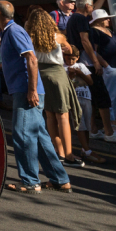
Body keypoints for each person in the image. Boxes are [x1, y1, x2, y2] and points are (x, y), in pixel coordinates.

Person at [0, 0, 71, 194]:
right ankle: (60, 179)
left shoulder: (14, 31)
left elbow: (32, 58)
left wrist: (32, 90)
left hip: (26, 90)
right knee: (39, 136)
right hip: (25, 89)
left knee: (23, 135)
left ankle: (30, 182)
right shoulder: (9, 32)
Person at [27, 10, 81, 168]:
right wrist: (64, 49)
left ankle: (60, 153)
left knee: (49, 115)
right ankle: (69, 155)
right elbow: (70, 50)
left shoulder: (31, 38)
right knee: (63, 116)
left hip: (40, 75)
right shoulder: (59, 37)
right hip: (56, 74)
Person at [67, 0, 116, 143]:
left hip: (81, 64)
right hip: (87, 64)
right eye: (91, 6)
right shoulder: (80, 19)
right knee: (103, 98)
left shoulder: (75, 18)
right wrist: (96, 62)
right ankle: (109, 133)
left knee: (90, 98)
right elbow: (85, 41)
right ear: (87, 6)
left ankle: (93, 129)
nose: (93, 9)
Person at [88, 9, 116, 138]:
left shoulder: (110, 31)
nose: (108, 20)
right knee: (110, 97)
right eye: (106, 18)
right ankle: (111, 123)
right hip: (111, 67)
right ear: (99, 21)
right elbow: (94, 51)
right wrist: (106, 65)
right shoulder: (94, 32)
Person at [64, 46, 106, 164]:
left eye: (73, 59)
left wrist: (79, 73)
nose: (71, 62)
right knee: (80, 124)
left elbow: (90, 81)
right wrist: (71, 75)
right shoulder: (63, 67)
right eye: (68, 59)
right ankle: (88, 150)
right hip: (74, 98)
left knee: (87, 125)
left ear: (77, 58)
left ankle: (85, 149)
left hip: (86, 96)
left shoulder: (81, 66)